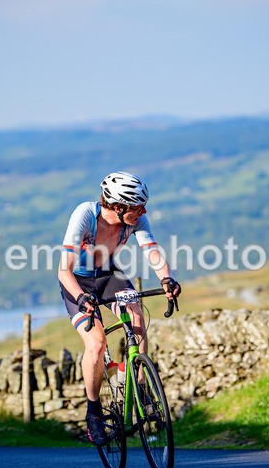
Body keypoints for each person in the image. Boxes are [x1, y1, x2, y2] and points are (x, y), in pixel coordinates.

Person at [58, 171, 181, 445]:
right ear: (117, 207)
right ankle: (93, 413)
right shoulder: (85, 215)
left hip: (108, 275)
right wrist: (80, 298)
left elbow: (152, 250)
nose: (144, 211)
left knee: (137, 317)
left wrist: (166, 278)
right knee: (97, 343)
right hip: (76, 282)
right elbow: (63, 270)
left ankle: (139, 387)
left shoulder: (137, 220)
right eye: (138, 207)